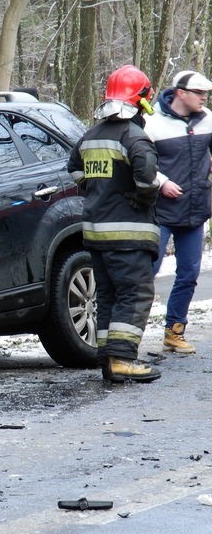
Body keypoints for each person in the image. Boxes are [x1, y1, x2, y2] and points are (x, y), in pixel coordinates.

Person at [67, 65, 162, 383]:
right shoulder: (135, 136)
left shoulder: (91, 134)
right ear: (143, 99)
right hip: (128, 234)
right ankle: (123, 358)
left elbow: (74, 169)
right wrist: (140, 198)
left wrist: (96, 188)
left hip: (95, 233)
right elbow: (148, 181)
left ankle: (109, 357)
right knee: (135, 293)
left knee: (107, 294)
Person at [144, 70, 212, 354]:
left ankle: (174, 331)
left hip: (196, 211)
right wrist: (162, 183)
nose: (204, 99)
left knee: (189, 273)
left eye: (206, 95)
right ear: (181, 93)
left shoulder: (208, 119)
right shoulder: (152, 123)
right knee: (148, 271)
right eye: (199, 94)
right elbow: (140, 164)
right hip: (161, 211)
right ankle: (130, 332)